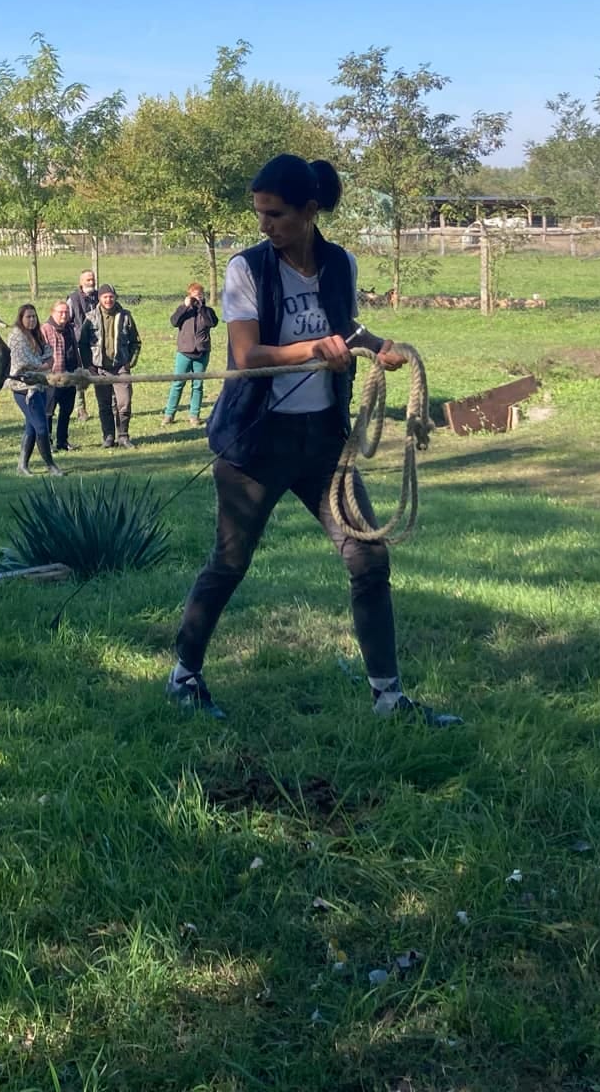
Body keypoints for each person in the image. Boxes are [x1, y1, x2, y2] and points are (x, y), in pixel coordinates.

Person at [166, 154, 455, 726]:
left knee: (369, 559)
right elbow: (247, 355)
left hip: (323, 443)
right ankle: (185, 675)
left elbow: (345, 326)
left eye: (275, 214)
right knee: (230, 562)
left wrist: (378, 344)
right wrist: (313, 349)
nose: (265, 225)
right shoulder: (245, 269)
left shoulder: (339, 263)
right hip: (254, 444)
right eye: (259, 214)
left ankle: (389, 697)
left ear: (310, 210)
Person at [5, 303, 66, 476]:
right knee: (41, 427)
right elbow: (24, 362)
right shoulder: (17, 337)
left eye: (34, 316)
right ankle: (51, 465)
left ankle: (22, 466)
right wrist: (44, 365)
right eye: (28, 317)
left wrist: (46, 364)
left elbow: (49, 354)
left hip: (39, 385)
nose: (32, 320)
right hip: (23, 388)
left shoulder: (36, 335)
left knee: (31, 428)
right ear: (21, 318)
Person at [77, 283, 141, 448]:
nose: (108, 300)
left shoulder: (126, 316)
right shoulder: (90, 317)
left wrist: (130, 362)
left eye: (111, 297)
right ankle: (108, 437)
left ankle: (123, 436)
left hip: (121, 368)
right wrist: (89, 365)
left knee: (124, 403)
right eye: (105, 297)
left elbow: (136, 341)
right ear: (100, 298)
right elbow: (82, 344)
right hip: (100, 369)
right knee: (104, 405)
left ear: (115, 297)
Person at [163, 281, 219, 426]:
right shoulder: (184, 310)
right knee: (177, 383)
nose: (197, 298)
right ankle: (169, 414)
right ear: (188, 295)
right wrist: (185, 306)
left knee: (197, 385)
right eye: (194, 296)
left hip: (201, 352)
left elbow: (212, 323)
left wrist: (202, 307)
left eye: (199, 295)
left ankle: (194, 415)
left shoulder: (207, 311)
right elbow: (174, 322)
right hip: (184, 351)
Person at [64, 269, 102, 422]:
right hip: (80, 344)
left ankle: (105, 406)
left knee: (101, 375)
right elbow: (67, 320)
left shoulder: (100, 297)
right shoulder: (73, 299)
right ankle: (81, 409)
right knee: (80, 377)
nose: (91, 282)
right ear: (81, 282)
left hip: (99, 344)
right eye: (88, 280)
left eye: (92, 279)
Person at [43, 298, 78, 452]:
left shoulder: (70, 329)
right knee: (48, 412)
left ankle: (62, 441)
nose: (64, 315)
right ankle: (47, 441)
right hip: (52, 378)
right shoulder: (45, 329)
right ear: (53, 313)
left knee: (66, 411)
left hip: (69, 376)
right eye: (61, 312)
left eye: (66, 312)